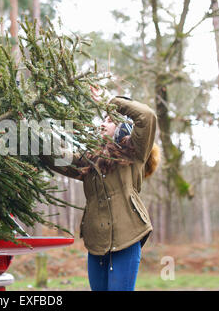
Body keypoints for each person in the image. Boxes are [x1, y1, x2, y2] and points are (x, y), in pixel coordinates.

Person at [41, 87, 160, 291]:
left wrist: (110, 102)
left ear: (123, 127)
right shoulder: (89, 159)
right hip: (96, 242)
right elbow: (57, 156)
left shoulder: (135, 152)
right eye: (103, 119)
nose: (103, 123)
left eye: (110, 120)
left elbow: (147, 116)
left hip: (127, 237)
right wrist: (28, 129)